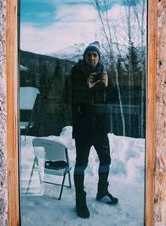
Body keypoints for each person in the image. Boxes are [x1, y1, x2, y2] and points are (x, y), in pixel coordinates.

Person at [69, 41, 118, 219]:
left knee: (106, 160)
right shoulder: (76, 72)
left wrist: (108, 85)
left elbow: (113, 100)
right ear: (84, 56)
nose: (91, 57)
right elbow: (70, 99)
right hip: (83, 128)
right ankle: (80, 200)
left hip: (100, 128)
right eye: (89, 54)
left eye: (94, 55)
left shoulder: (104, 73)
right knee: (81, 164)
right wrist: (87, 88)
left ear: (99, 57)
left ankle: (102, 192)